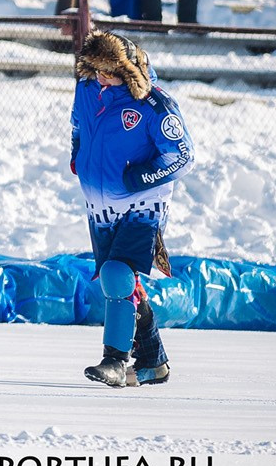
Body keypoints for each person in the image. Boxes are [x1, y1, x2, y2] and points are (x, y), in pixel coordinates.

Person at [71, 31, 193, 387]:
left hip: (144, 203)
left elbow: (182, 155)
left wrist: (141, 178)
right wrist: (76, 154)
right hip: (101, 205)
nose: (101, 78)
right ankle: (153, 361)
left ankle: (114, 360)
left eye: (109, 71)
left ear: (129, 71)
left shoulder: (155, 105)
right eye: (96, 70)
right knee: (124, 283)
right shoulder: (87, 90)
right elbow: (78, 125)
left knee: (116, 274)